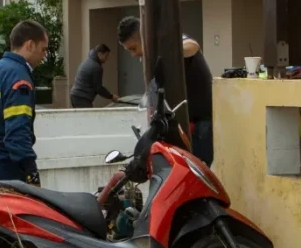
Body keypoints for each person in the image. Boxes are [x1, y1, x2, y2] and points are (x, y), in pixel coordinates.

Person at [117, 16, 214, 166]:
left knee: (197, 168)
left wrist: (167, 52)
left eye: (133, 48)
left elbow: (192, 46)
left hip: (201, 122)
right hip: (182, 123)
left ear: (144, 38)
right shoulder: (151, 58)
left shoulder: (171, 43)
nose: (133, 54)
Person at [0, 20, 49, 184]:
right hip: (8, 170)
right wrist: (31, 171)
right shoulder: (20, 79)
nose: (43, 56)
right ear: (30, 45)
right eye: (43, 49)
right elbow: (17, 135)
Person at [70, 44, 118, 108]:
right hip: (82, 97)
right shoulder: (96, 67)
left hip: (75, 95)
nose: (107, 59)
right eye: (106, 56)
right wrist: (111, 96)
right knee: (87, 117)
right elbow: (98, 88)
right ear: (100, 54)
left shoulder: (87, 61)